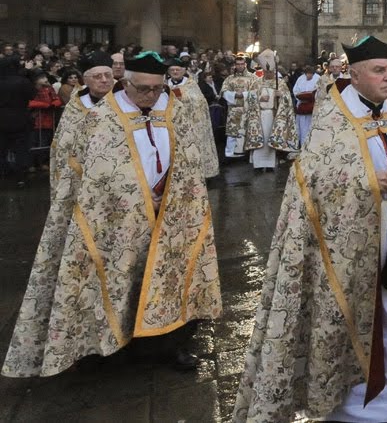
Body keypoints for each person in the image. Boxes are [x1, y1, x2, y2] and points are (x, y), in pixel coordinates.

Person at [232, 36, 387, 423]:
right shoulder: (332, 118)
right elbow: (314, 179)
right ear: (354, 75)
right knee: (362, 313)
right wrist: (368, 182)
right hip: (351, 245)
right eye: (379, 70)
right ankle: (356, 389)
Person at [2, 52, 222, 377]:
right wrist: (132, 195)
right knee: (118, 278)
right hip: (117, 221)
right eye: (143, 89)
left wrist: (176, 195)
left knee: (168, 280)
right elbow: (88, 172)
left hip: (170, 218)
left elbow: (190, 163)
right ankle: (110, 347)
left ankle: (168, 345)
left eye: (157, 89)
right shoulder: (102, 116)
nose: (150, 95)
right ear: (126, 82)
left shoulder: (176, 110)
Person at [48, 51, 115, 189]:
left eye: (108, 75)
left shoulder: (125, 101)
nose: (104, 80)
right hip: (84, 171)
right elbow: (65, 143)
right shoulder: (76, 106)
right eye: (97, 76)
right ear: (86, 80)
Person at [244, 49, 298, 171]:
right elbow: (250, 97)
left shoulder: (281, 83)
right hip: (259, 116)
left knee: (271, 140)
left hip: (273, 115)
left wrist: (281, 95)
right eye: (266, 71)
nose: (268, 73)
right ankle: (258, 165)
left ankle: (269, 165)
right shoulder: (256, 83)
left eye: (271, 71)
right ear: (263, 70)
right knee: (260, 140)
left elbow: (288, 100)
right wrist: (259, 96)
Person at [166, 59, 219, 179]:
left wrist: (182, 98)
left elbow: (200, 102)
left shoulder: (191, 84)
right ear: (168, 72)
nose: (175, 72)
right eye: (172, 70)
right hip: (171, 124)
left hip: (191, 124)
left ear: (183, 70)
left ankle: (198, 174)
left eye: (177, 69)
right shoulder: (164, 85)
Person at [0, 56, 34, 187]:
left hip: (1, 119)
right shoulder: (21, 81)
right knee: (21, 149)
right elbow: (32, 94)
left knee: (1, 149)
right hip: (20, 118)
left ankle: (3, 173)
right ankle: (21, 177)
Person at [220, 54, 254, 159]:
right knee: (232, 132)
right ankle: (230, 153)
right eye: (237, 64)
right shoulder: (230, 79)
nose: (239, 66)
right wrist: (235, 95)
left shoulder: (253, 78)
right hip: (234, 109)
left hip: (248, 109)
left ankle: (247, 153)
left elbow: (257, 91)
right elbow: (224, 91)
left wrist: (243, 95)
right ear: (235, 65)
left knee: (247, 130)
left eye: (241, 64)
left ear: (245, 64)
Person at [27, 70, 62, 172]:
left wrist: (55, 104)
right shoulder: (30, 89)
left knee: (45, 142)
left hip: (47, 120)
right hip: (34, 120)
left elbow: (57, 99)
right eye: (42, 77)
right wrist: (44, 105)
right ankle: (32, 163)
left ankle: (43, 162)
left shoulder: (49, 89)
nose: (45, 79)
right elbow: (28, 102)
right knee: (33, 142)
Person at [292, 65, 318, 147]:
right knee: (302, 128)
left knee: (311, 128)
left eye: (310, 73)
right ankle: (302, 145)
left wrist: (311, 97)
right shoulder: (300, 79)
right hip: (302, 106)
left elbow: (320, 90)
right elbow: (295, 90)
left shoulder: (318, 78)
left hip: (313, 108)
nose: (308, 75)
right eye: (307, 73)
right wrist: (300, 96)